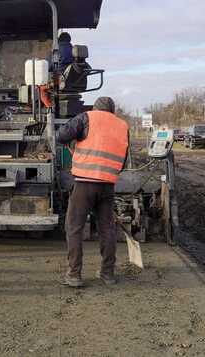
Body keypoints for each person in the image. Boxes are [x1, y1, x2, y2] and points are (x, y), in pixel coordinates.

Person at [57, 97, 129, 287]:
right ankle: (107, 274)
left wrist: (76, 142)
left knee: (74, 227)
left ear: (95, 108)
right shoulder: (122, 126)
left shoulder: (86, 118)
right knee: (107, 229)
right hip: (107, 185)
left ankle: (74, 275)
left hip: (84, 184)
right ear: (112, 111)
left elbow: (61, 135)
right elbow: (123, 159)